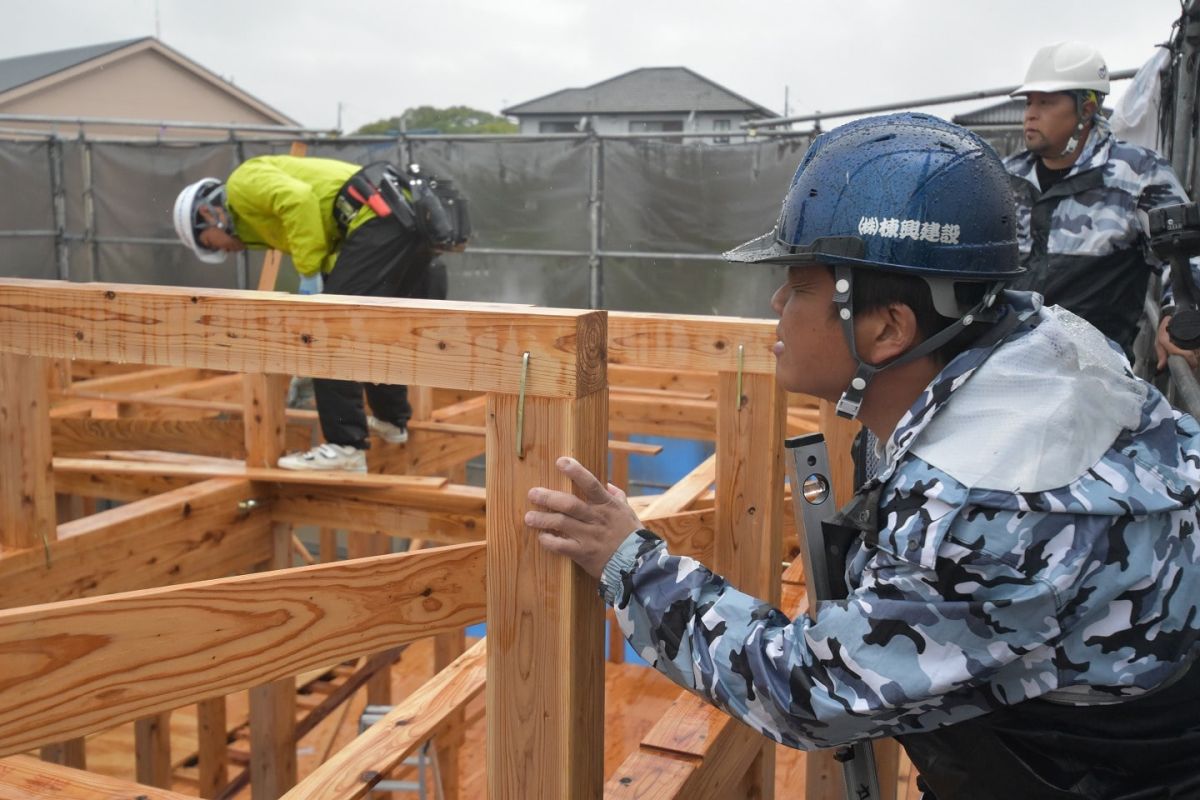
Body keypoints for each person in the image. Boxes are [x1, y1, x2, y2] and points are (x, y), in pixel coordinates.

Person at [525, 113, 1200, 798]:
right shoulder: (1043, 344)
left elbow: (808, 691)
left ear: (886, 329)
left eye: (801, 284)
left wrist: (631, 563)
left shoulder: (977, 509)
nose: (776, 300)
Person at [173, 155, 438, 472]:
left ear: (206, 213)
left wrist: (310, 278)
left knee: (328, 327)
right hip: (397, 217)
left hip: (378, 216)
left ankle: (346, 445)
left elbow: (299, 200)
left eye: (208, 243)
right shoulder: (257, 223)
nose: (220, 251)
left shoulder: (243, 183)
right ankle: (391, 420)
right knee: (372, 326)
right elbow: (330, 247)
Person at [1003, 40, 1198, 367]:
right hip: (1000, 365)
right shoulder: (1004, 176)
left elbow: (1185, 254)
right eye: (1029, 102)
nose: (1031, 114)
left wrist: (1176, 313)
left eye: (1046, 103)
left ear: (1087, 109)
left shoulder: (1138, 174)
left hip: (1090, 374)